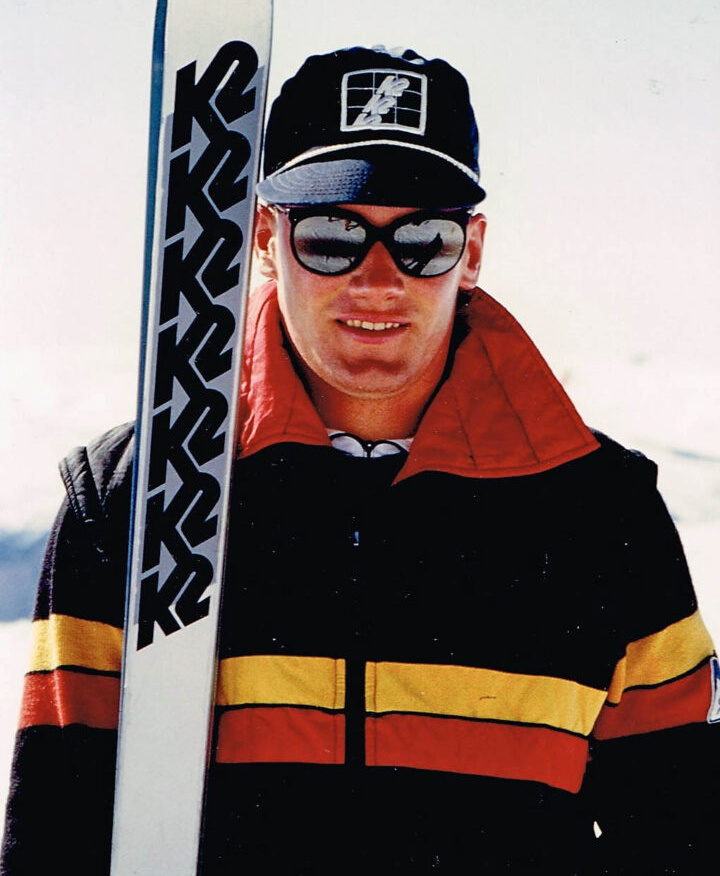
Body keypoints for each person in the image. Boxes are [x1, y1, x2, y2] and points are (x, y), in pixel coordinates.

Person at [2, 45, 718, 875]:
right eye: (335, 236)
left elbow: (682, 833)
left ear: (472, 250)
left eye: (424, 239)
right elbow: (56, 835)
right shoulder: (133, 501)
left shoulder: (601, 517)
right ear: (267, 241)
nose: (379, 279)